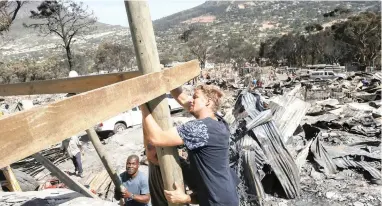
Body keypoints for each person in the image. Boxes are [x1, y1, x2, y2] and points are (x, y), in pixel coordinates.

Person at [140, 84, 239, 206]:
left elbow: (156, 138)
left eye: (195, 97)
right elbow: (183, 99)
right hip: (227, 195)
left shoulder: (200, 128)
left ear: (208, 102)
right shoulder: (219, 123)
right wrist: (167, 81)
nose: (191, 100)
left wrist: (142, 105)